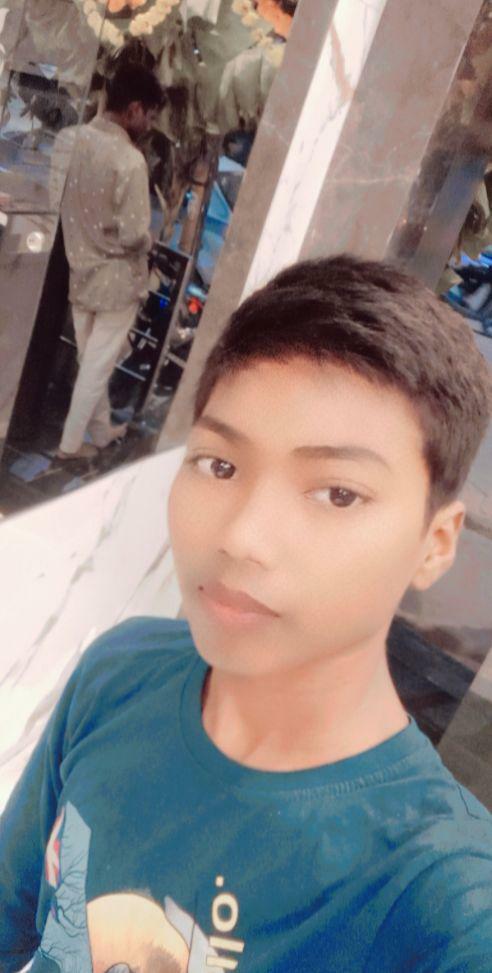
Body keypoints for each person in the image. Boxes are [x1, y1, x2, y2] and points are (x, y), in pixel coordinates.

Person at [1, 255, 492, 972]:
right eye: (220, 465)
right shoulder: (119, 673)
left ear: (435, 542)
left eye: (338, 493)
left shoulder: (440, 900)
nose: (242, 537)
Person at [51, 63, 165, 461]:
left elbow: (54, 200)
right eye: (150, 115)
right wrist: (149, 240)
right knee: (95, 367)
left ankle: (99, 432)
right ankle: (68, 447)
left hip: (79, 268)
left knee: (90, 361)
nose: (150, 125)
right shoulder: (130, 161)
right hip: (117, 280)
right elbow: (134, 234)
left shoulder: (68, 140)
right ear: (134, 109)